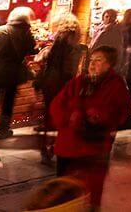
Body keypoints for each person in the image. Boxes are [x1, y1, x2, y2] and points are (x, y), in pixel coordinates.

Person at [50, 47, 131, 210]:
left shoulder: (116, 86)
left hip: (94, 149)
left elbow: (122, 113)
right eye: (91, 60)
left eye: (98, 60)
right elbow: (56, 105)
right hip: (68, 145)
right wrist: (69, 117)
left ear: (109, 65)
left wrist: (101, 116)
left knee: (90, 194)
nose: (92, 64)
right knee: (63, 191)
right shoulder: (77, 82)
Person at [37, 14, 88, 161]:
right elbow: (71, 68)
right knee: (62, 115)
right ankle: (57, 144)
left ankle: (47, 147)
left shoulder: (59, 43)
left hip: (52, 83)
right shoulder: (77, 47)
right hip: (65, 83)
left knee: (50, 113)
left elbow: (51, 61)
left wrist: (45, 53)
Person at [0, 6, 37, 138]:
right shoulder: (26, 34)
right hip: (12, 73)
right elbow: (32, 50)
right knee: (8, 102)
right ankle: (3, 130)